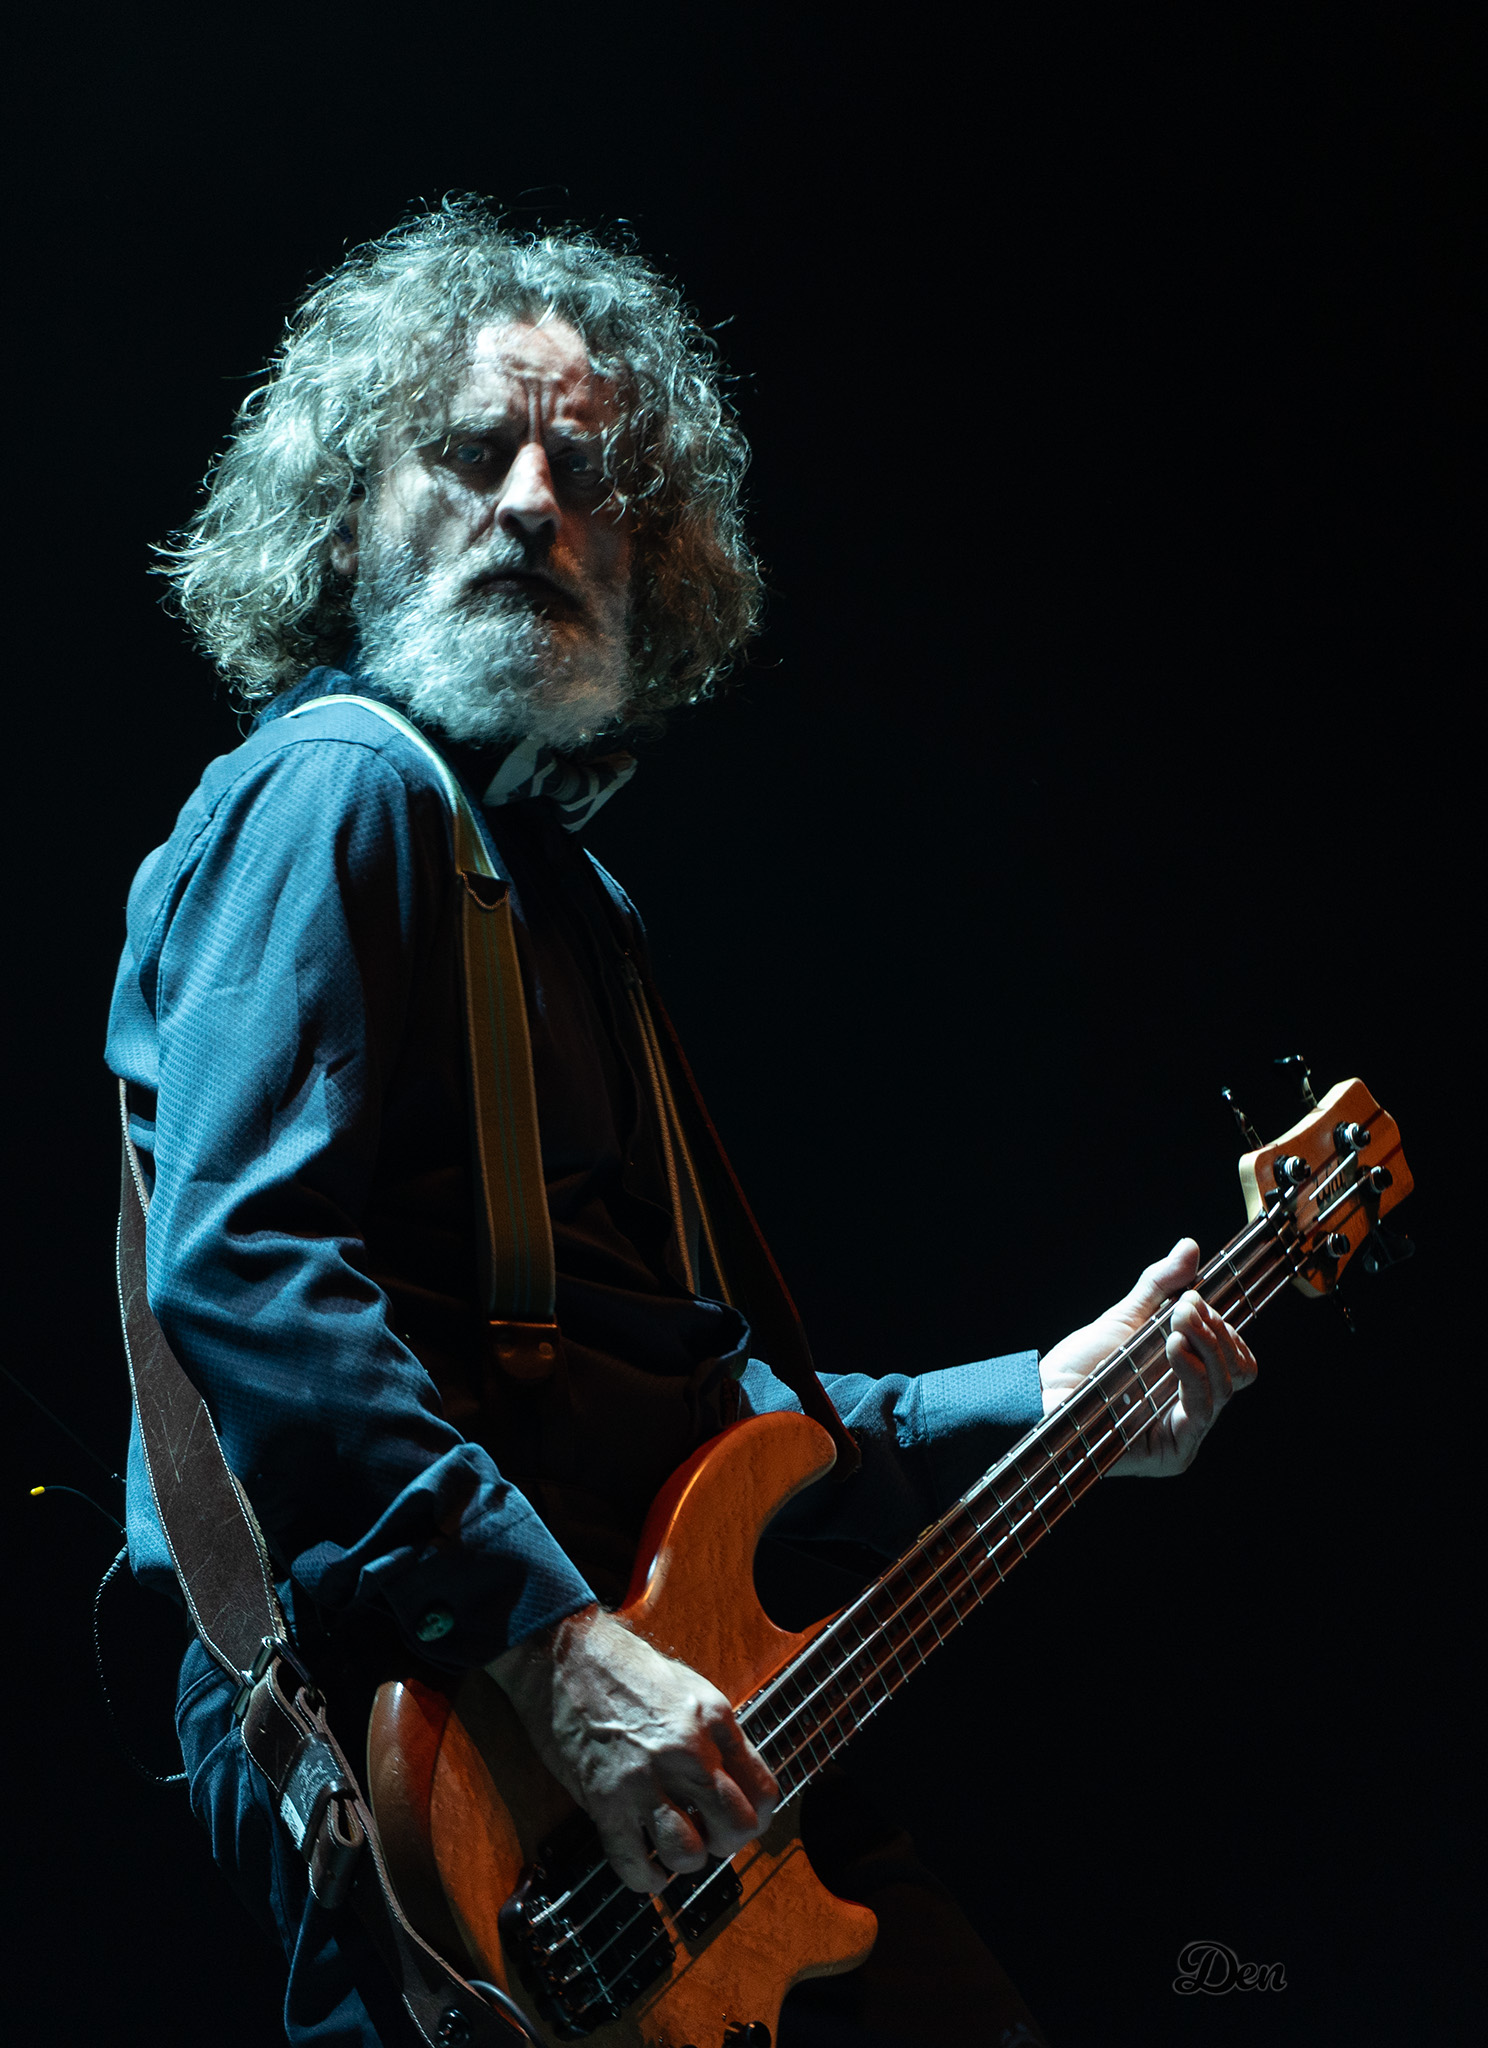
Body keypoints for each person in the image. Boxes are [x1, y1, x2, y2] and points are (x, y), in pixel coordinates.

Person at [106, 201, 1256, 2048]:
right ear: (343, 521)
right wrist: (554, 1654)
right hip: (458, 1733)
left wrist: (1046, 1399)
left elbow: (689, 1399)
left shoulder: (569, 902)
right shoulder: (339, 789)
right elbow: (243, 1267)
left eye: (590, 478)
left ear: (655, 568)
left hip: (644, 1720)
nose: (533, 504)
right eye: (468, 454)